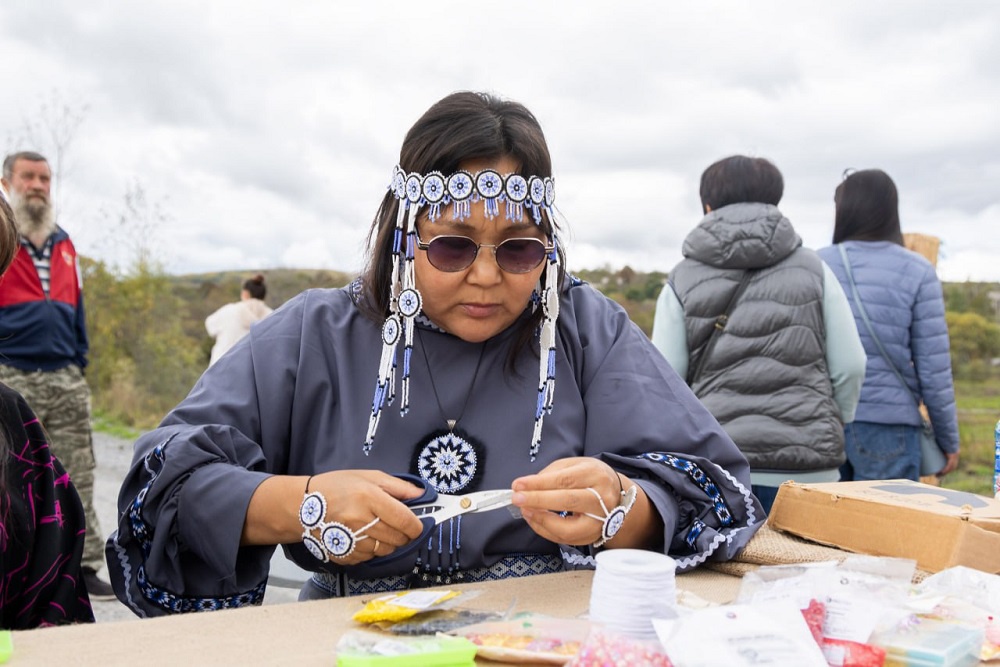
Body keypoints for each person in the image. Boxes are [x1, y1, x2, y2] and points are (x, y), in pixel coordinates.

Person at [107, 91, 763, 617]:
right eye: (452, 245)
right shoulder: (315, 333)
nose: (485, 276)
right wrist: (302, 503)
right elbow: (162, 487)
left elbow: (719, 493)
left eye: (519, 249)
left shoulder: (585, 328)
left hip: (549, 636)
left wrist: (625, 508)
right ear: (404, 236)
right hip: (348, 637)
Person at [651, 155, 866, 514]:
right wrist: (829, 418)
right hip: (809, 472)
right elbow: (851, 365)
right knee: (813, 571)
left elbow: (664, 383)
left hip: (718, 470)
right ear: (774, 202)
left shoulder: (681, 278)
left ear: (707, 206)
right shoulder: (815, 269)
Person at [0, 151, 114, 599]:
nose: (38, 185)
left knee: (78, 471)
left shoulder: (65, 243)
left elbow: (77, 308)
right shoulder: (6, 235)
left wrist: (79, 359)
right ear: (8, 182)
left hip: (65, 373)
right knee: (11, 474)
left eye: (45, 178)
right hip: (13, 370)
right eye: (28, 176)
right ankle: (17, 572)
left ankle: (84, 568)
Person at [817, 169, 960, 481]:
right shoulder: (918, 271)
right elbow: (934, 370)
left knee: (817, 528)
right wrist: (948, 440)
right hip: (890, 426)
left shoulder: (815, 264)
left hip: (821, 424)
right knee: (889, 527)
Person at [204, 273, 274, 366]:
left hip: (222, 369)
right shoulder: (273, 316)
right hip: (255, 372)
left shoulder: (229, 310)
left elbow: (210, 326)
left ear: (245, 293)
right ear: (263, 295)